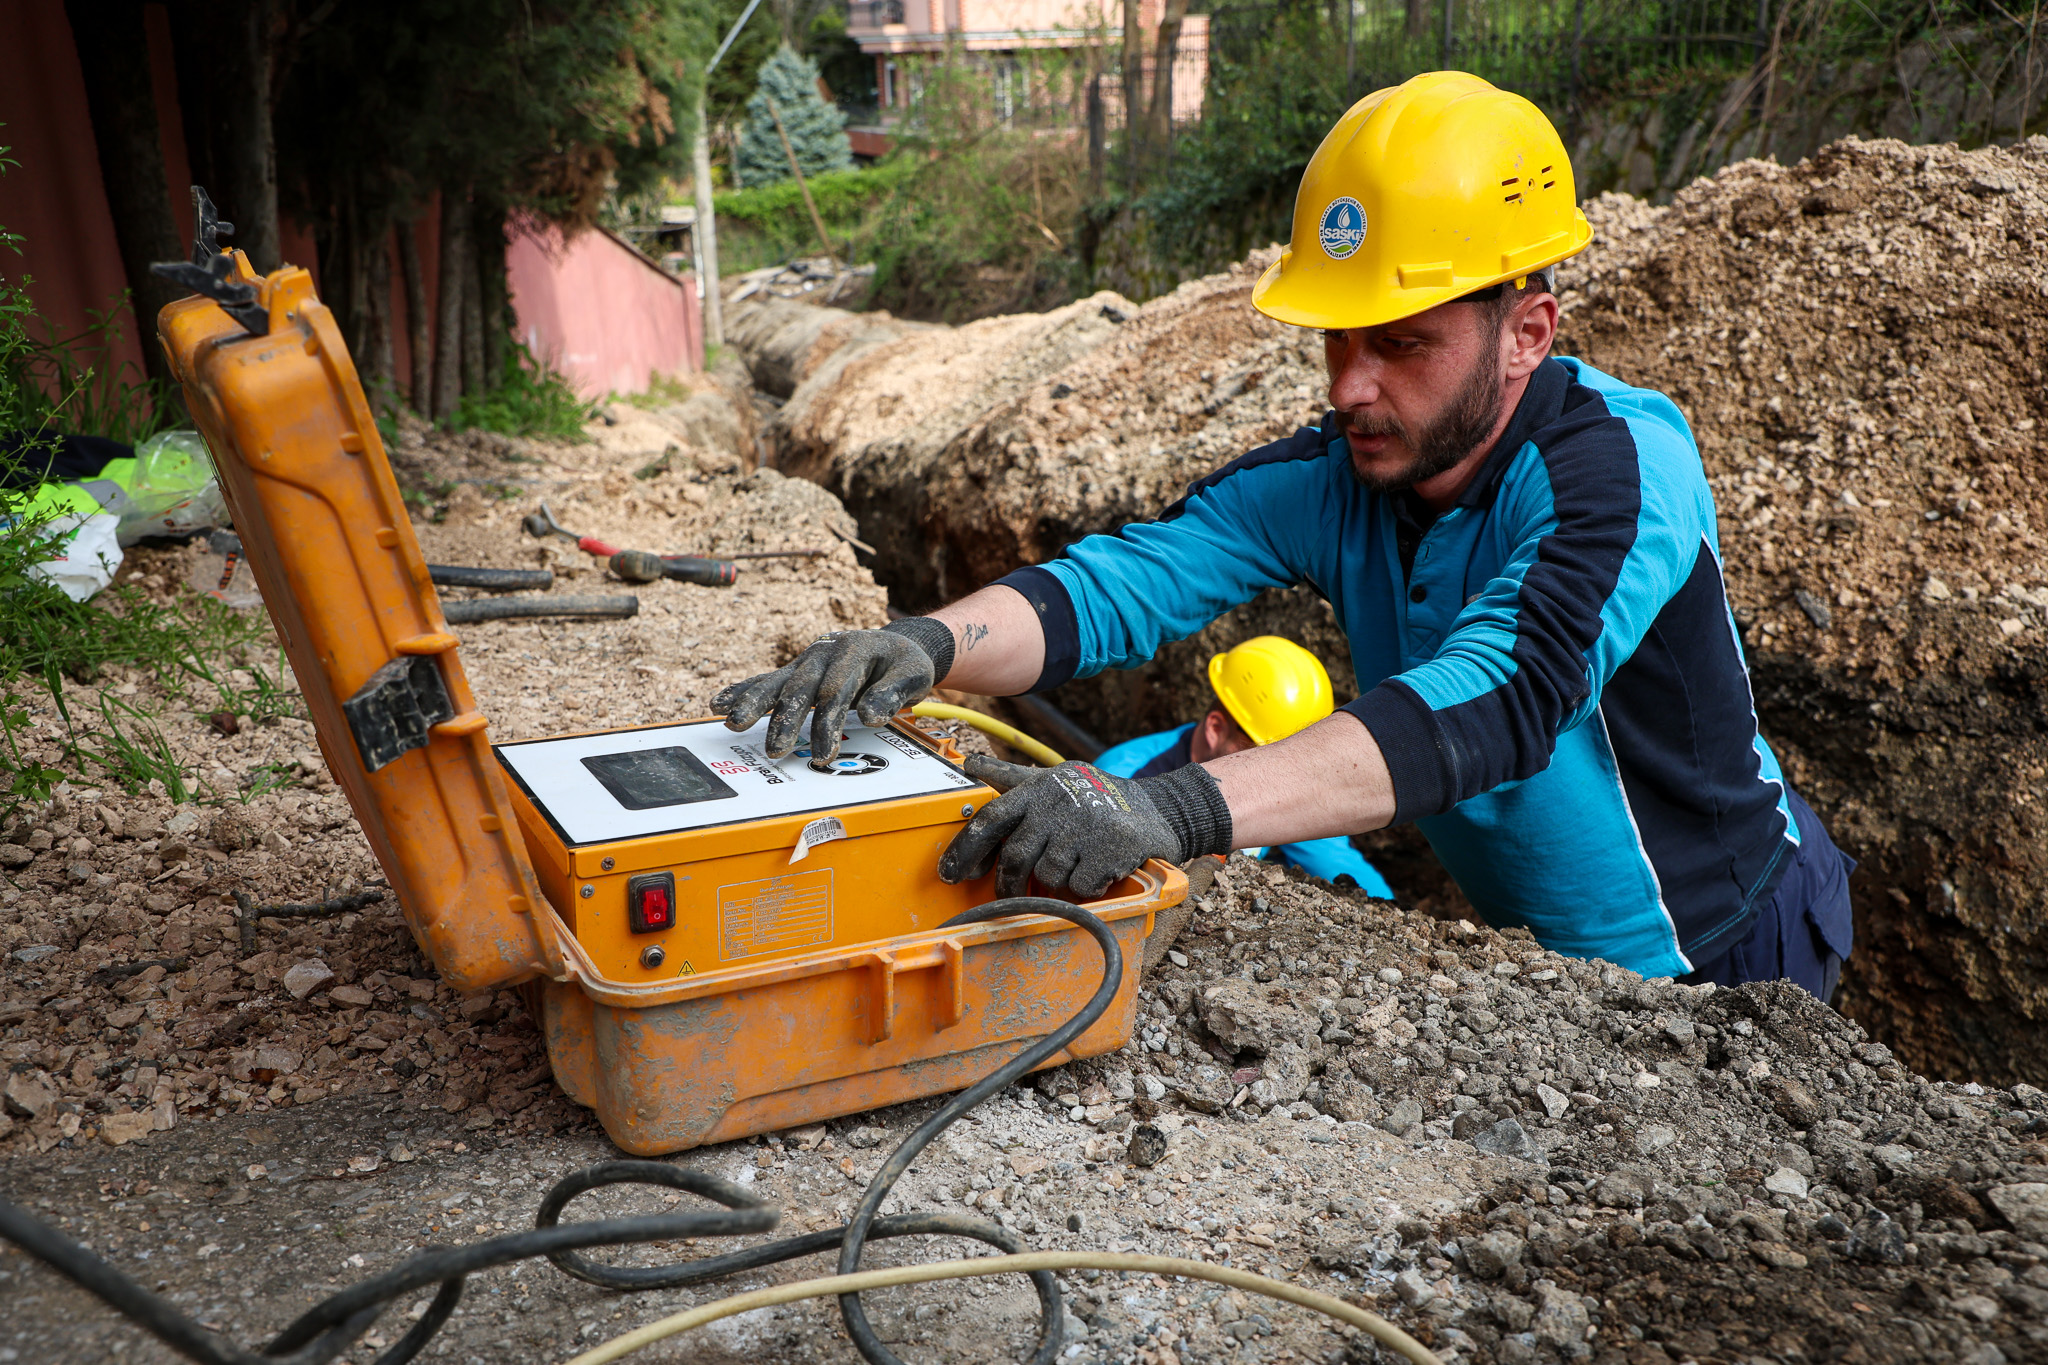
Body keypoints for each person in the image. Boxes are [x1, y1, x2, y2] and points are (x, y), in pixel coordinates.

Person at [714, 71, 1854, 1001]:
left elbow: (1502, 696)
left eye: (1400, 344)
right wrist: (926, 645)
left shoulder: (1617, 469)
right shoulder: (1345, 470)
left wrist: (1168, 808)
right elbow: (1130, 580)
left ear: (1527, 332)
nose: (1350, 386)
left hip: (1726, 953)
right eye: (1334, 342)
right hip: (1549, 963)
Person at [1091, 636, 1394, 897]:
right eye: (1262, 752)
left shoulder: (1285, 779)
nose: (1278, 773)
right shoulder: (1125, 778)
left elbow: (1340, 866)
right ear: (1216, 728)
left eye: (1290, 756)